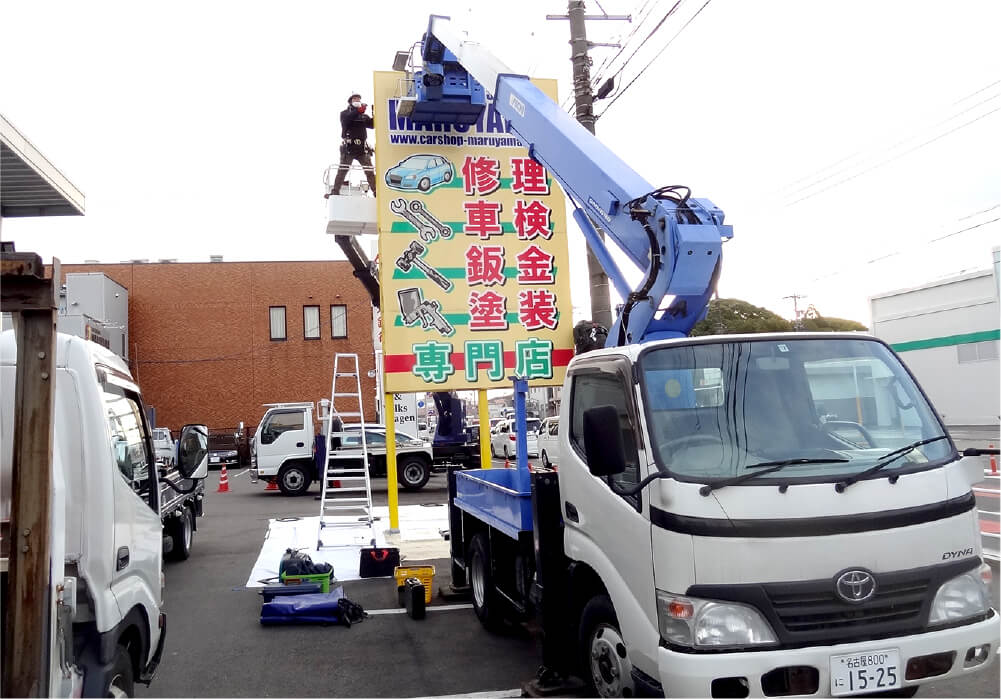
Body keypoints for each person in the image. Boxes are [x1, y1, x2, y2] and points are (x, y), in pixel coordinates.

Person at [328, 93, 377, 197]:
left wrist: (374, 114)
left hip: (362, 149)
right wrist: (357, 111)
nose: (357, 100)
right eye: (355, 99)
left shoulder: (363, 116)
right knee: (342, 170)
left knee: (369, 171)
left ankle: (376, 191)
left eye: (359, 99)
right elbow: (346, 121)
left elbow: (372, 125)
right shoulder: (344, 113)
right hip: (349, 148)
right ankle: (335, 191)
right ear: (350, 101)